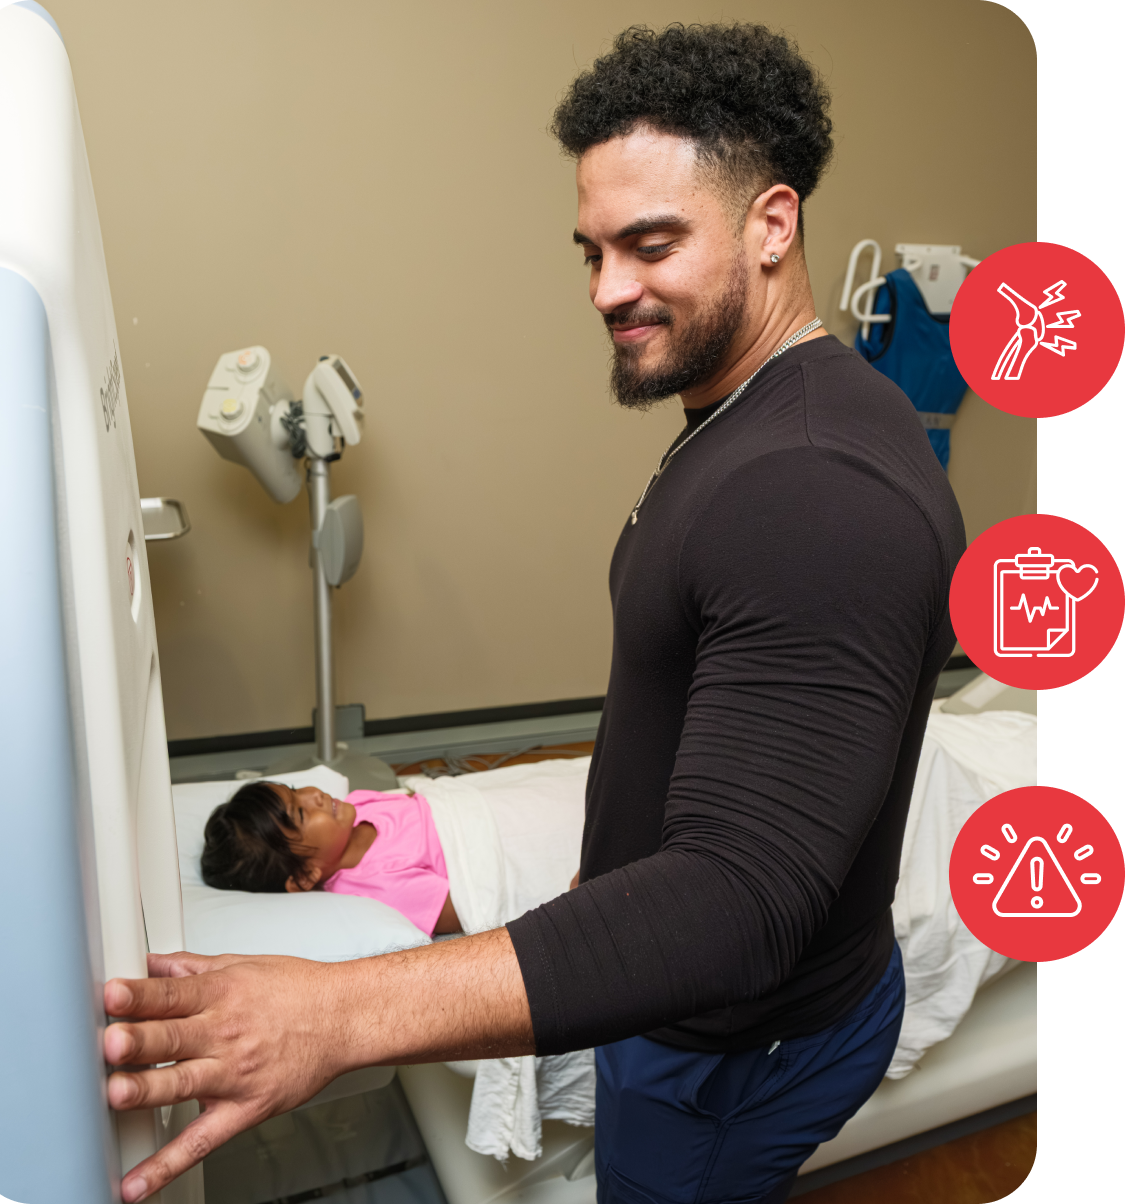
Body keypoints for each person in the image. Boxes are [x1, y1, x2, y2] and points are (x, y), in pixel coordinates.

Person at [103, 23, 964, 1204]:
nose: (609, 289)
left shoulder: (817, 487)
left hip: (726, 1051)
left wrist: (339, 1010)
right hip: (683, 1009)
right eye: (593, 250)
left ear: (774, 224)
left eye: (651, 244)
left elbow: (738, 900)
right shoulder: (746, 414)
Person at [200, 781, 463, 935]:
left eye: (294, 789)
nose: (314, 794)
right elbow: (469, 906)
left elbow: (431, 805)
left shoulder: (358, 803)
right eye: (300, 813)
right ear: (304, 876)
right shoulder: (379, 886)